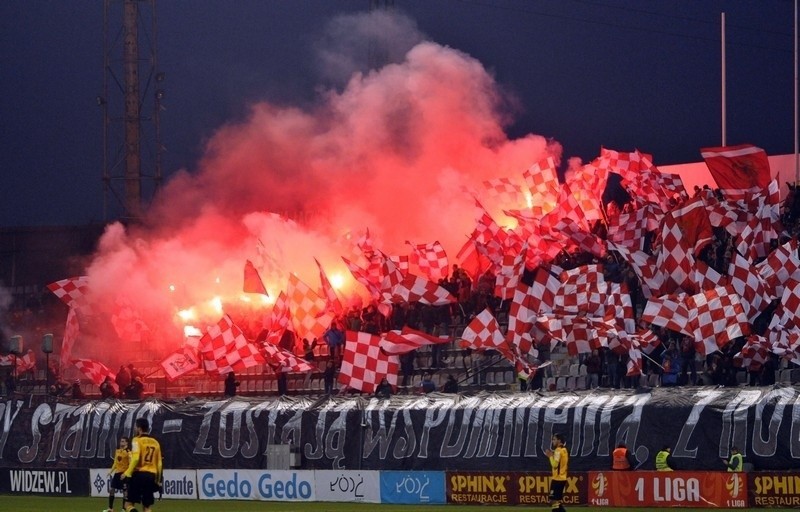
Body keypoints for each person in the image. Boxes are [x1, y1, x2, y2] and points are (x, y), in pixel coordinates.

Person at [123, 418, 163, 512]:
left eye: (136, 427)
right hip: (151, 476)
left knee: (128, 504)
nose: (135, 429)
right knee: (147, 507)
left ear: (139, 428)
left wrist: (127, 473)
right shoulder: (156, 442)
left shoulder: (136, 440)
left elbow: (136, 458)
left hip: (138, 474)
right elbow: (160, 464)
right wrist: (158, 480)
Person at [104, 436, 130, 512]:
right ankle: (110, 508)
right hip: (117, 473)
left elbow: (131, 464)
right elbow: (115, 463)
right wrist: (110, 471)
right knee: (112, 489)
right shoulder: (117, 451)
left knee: (125, 492)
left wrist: (126, 473)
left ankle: (124, 509)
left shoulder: (128, 452)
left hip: (124, 474)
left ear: (126, 443)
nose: (121, 443)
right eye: (120, 441)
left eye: (123, 441)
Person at [545, 433, 569, 512]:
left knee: (553, 501)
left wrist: (550, 457)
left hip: (557, 479)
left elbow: (555, 465)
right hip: (562, 478)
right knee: (557, 501)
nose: (552, 441)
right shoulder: (565, 450)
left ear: (559, 440)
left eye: (554, 439)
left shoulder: (558, 450)